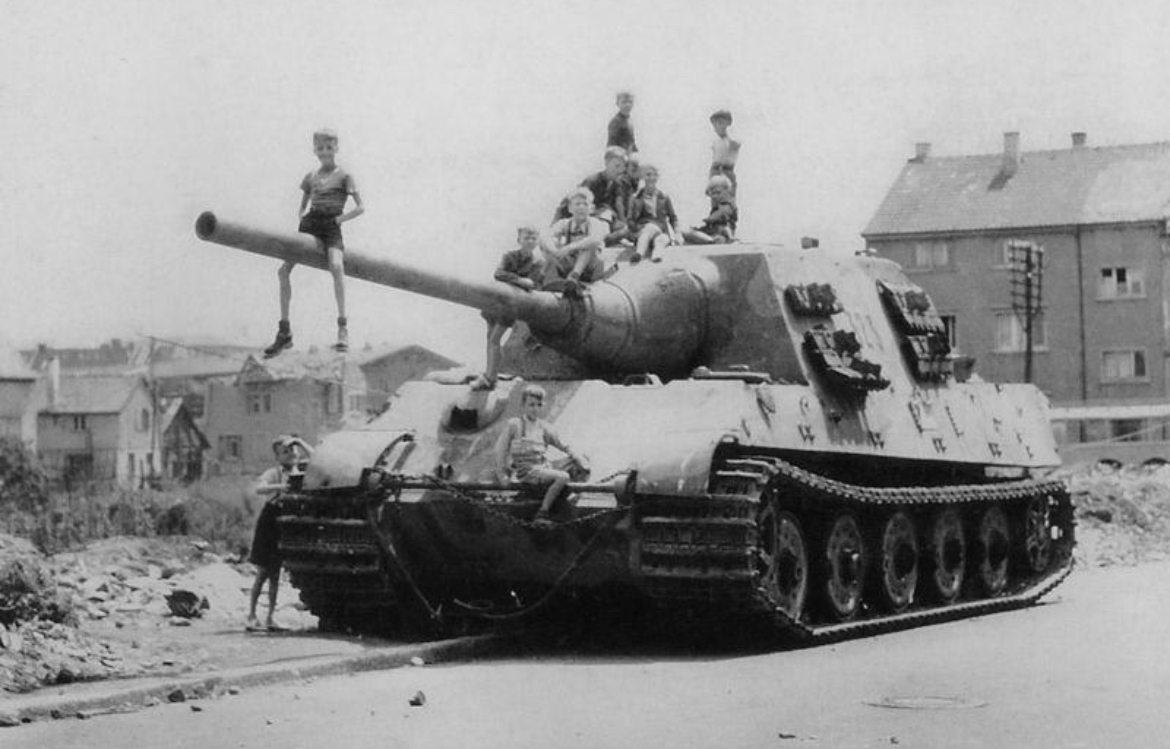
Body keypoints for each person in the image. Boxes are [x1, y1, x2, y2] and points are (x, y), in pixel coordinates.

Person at [264, 128, 365, 358]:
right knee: (283, 271)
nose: (325, 152)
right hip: (311, 224)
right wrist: (301, 216)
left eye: (329, 148)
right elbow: (302, 204)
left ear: (336, 149)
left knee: (337, 266)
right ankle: (284, 332)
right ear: (315, 151)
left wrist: (340, 219)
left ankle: (342, 327)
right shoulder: (311, 176)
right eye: (320, 148)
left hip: (331, 225)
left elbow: (361, 207)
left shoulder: (344, 176)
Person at [494, 384, 588, 527]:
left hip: (542, 468)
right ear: (523, 405)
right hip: (528, 472)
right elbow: (500, 449)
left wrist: (578, 457)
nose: (535, 408)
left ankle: (570, 498)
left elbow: (564, 444)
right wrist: (502, 474)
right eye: (531, 404)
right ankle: (543, 511)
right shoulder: (515, 424)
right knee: (563, 477)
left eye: (539, 404)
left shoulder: (544, 427)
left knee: (578, 461)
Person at [246, 434, 312, 631]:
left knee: (275, 574)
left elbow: (318, 457)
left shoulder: (302, 470)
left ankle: (270, 617)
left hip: (287, 523)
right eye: (285, 452)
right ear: (277, 457)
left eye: (293, 450)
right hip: (271, 522)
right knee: (263, 572)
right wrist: (281, 486)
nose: (291, 454)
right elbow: (259, 488)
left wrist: (299, 441)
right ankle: (251, 615)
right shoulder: (274, 472)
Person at [473, 225, 545, 391]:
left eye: (533, 238)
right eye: (526, 237)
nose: (530, 241)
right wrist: (520, 280)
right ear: (519, 240)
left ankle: (490, 378)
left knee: (494, 340)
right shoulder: (509, 256)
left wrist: (522, 283)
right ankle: (491, 373)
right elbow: (498, 274)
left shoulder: (539, 262)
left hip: (512, 305)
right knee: (491, 340)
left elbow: (535, 284)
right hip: (497, 303)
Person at [553, 146, 629, 245]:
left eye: (623, 167)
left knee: (623, 227)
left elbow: (617, 206)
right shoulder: (593, 181)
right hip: (585, 217)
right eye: (617, 166)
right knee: (604, 219)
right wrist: (555, 223)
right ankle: (600, 239)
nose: (620, 170)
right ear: (606, 163)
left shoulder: (616, 183)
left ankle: (606, 238)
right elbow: (571, 200)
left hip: (602, 217)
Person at [541, 188, 607, 298]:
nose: (581, 207)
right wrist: (555, 251)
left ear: (592, 209)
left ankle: (574, 277)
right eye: (577, 204)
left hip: (591, 268)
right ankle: (546, 278)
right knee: (546, 244)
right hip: (570, 264)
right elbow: (545, 235)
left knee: (588, 245)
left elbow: (595, 239)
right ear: (570, 208)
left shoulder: (595, 223)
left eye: (585, 204)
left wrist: (569, 247)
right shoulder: (564, 223)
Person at [625, 163, 679, 262]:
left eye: (654, 175)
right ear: (643, 177)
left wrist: (677, 233)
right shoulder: (635, 198)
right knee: (654, 232)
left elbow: (673, 217)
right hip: (642, 234)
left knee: (663, 238)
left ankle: (656, 256)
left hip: (661, 230)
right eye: (648, 175)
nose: (651, 178)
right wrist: (638, 229)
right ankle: (639, 254)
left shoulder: (664, 197)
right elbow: (630, 220)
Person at [683, 175, 738, 244]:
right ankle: (711, 240)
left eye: (718, 193)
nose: (714, 196)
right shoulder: (718, 204)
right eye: (712, 194)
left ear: (727, 191)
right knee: (687, 233)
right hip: (713, 230)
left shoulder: (727, 204)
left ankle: (713, 241)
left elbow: (722, 213)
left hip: (720, 231)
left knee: (724, 230)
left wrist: (708, 219)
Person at [708, 109, 741, 195]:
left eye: (721, 123)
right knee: (716, 203)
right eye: (715, 124)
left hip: (726, 172)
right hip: (715, 173)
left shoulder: (731, 140)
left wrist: (729, 132)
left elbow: (736, 144)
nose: (717, 127)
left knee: (726, 202)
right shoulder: (717, 142)